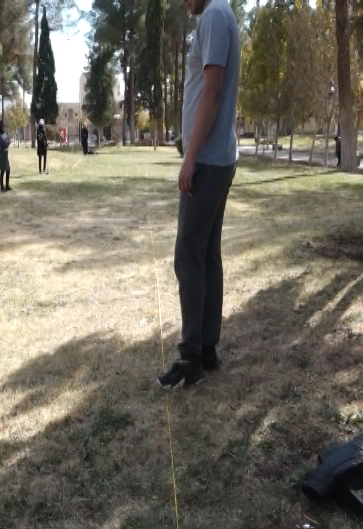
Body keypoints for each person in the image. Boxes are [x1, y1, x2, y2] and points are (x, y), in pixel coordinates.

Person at [157, 0, 240, 390]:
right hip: (214, 157)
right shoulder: (217, 15)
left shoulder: (215, 15)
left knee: (188, 254)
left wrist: (189, 158)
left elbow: (212, 91)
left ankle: (191, 358)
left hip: (207, 160)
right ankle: (206, 350)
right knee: (206, 254)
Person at [0, 120, 11, 191]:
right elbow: (3, 143)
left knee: (8, 169)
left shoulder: (5, 134)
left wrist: (7, 143)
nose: (3, 127)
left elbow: (8, 141)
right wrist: (6, 144)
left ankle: (7, 186)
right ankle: (2, 187)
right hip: (2, 153)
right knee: (2, 170)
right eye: (2, 126)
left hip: (6, 153)